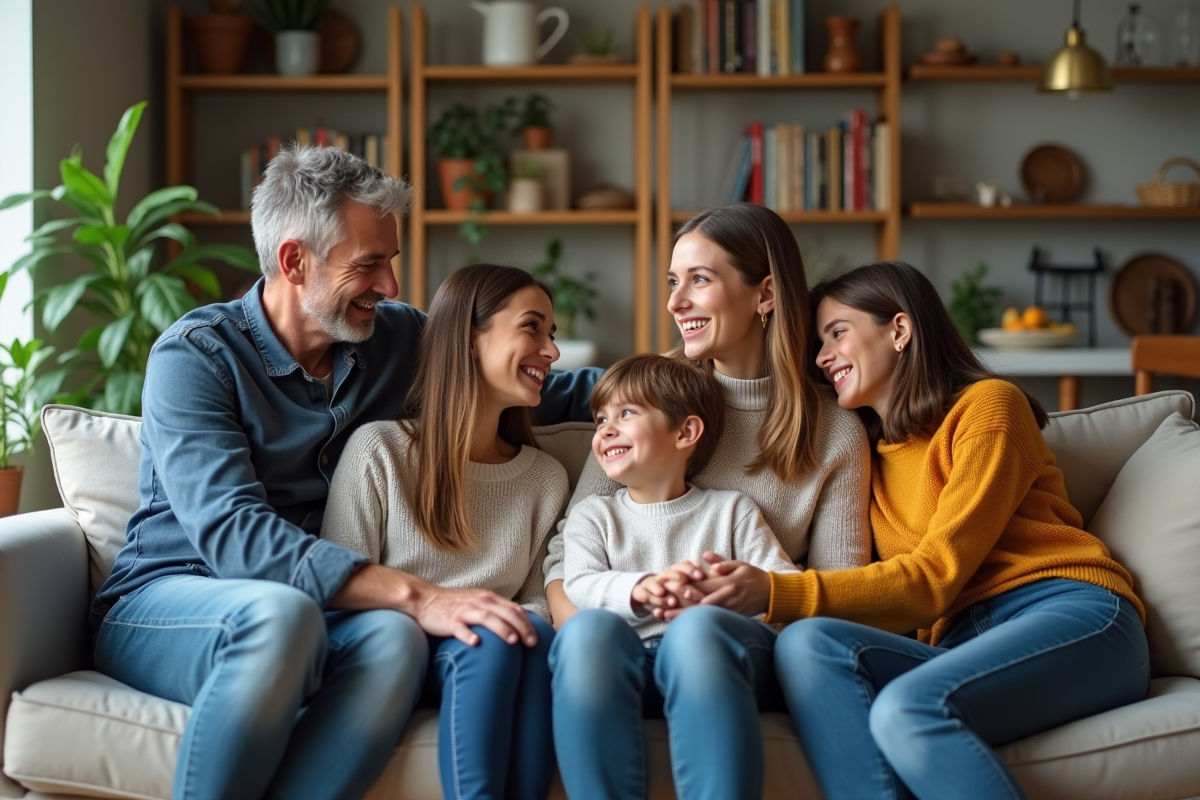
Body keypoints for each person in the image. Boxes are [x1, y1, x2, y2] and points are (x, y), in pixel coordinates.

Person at [90, 145, 598, 800]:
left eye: (391, 260)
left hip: (316, 607)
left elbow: (530, 379)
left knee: (392, 641)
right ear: (294, 261)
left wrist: (687, 381)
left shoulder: (394, 339)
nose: (390, 285)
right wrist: (421, 596)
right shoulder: (197, 358)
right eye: (369, 265)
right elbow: (235, 537)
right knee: (285, 616)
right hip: (172, 597)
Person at [700, 260, 1148, 800]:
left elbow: (934, 579)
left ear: (900, 329)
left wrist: (772, 590)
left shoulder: (987, 409)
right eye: (818, 343)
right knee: (808, 644)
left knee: (909, 709)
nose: (821, 357)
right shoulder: (864, 452)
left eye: (837, 333)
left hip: (1070, 616)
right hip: (959, 643)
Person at [545, 203, 872, 800]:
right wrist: (589, 636)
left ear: (765, 293)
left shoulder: (833, 430)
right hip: (624, 642)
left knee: (698, 633)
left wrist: (750, 593)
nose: (674, 302)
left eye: (699, 279)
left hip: (745, 652)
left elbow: (836, 594)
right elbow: (567, 558)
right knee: (588, 639)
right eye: (673, 282)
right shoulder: (644, 403)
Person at [321, 264, 567, 800]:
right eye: (532, 328)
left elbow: (538, 602)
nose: (551, 352)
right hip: (399, 649)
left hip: (501, 651)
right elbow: (339, 587)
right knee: (491, 641)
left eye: (553, 335)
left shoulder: (545, 478)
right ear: (470, 339)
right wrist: (456, 615)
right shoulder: (380, 451)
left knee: (526, 636)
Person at [554, 352, 799, 800]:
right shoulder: (593, 516)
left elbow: (781, 584)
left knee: (698, 630)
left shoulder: (731, 510)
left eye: (626, 413)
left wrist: (726, 593)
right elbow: (581, 583)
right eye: (600, 418)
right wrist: (641, 588)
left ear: (685, 432)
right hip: (630, 665)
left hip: (714, 667)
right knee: (586, 631)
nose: (606, 429)